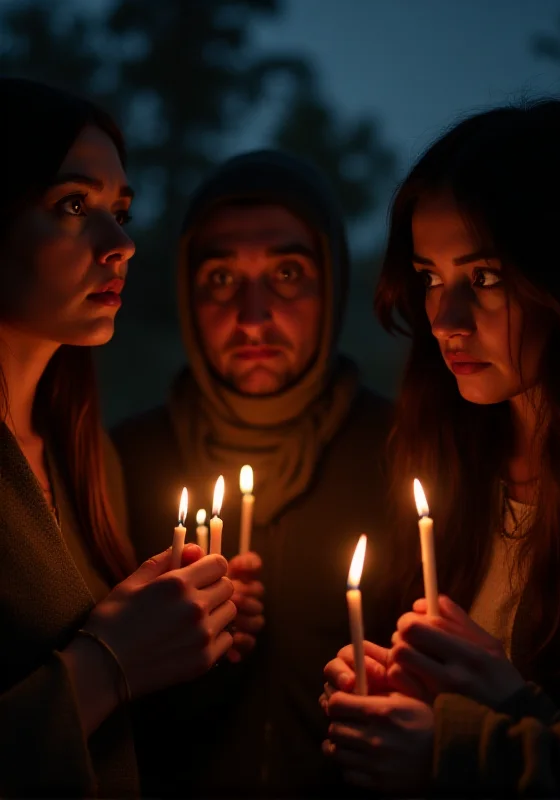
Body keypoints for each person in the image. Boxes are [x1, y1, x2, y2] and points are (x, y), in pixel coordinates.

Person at [322, 98, 560, 798]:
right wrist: (400, 697)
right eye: (431, 278)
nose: (445, 319)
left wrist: (490, 727)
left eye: (486, 278)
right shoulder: (449, 462)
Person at [112, 149, 394, 797]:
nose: (253, 314)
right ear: (186, 291)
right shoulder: (119, 463)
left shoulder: (407, 454)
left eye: (288, 273)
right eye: (219, 278)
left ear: (334, 285)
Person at [0, 77, 236, 798]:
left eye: (122, 211)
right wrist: (109, 661)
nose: (122, 244)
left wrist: (181, 632)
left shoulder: (87, 454)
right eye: (74, 206)